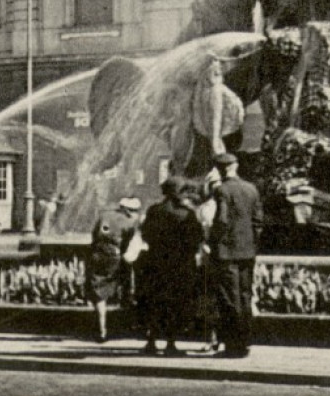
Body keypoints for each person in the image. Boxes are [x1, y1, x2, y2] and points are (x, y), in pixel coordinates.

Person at [139, 178, 206, 357]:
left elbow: (145, 234)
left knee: (155, 302)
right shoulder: (186, 215)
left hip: (156, 263)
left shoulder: (154, 211)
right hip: (179, 265)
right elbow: (196, 239)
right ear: (179, 192)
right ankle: (170, 343)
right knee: (175, 303)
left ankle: (151, 341)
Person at [205, 153, 262, 358]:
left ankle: (233, 345)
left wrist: (211, 242)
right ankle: (245, 342)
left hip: (226, 252)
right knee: (245, 295)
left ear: (220, 169)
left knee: (229, 298)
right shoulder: (251, 189)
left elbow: (221, 221)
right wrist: (251, 245)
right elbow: (258, 222)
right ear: (235, 166)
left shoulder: (222, 190)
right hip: (247, 252)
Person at [84, 220, 125, 344]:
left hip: (98, 261)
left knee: (100, 298)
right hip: (115, 263)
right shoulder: (125, 222)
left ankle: (102, 330)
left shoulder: (105, 220)